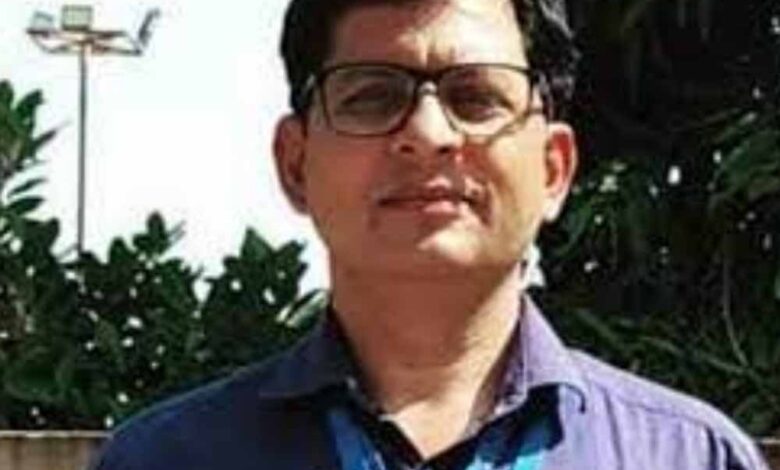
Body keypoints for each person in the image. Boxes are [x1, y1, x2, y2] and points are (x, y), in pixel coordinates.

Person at [90, 0, 770, 469]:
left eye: (476, 97)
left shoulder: (688, 457)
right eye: (372, 96)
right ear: (296, 165)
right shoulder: (166, 459)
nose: (427, 134)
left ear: (553, 169)